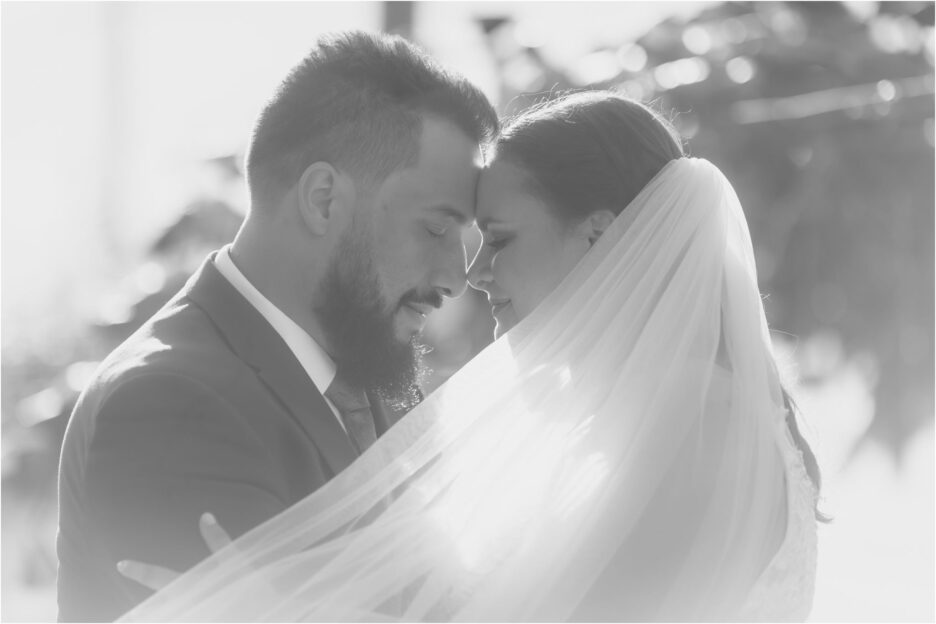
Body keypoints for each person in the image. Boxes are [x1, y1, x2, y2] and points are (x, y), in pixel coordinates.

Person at [119, 92, 820, 622]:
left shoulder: (697, 427)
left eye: (503, 239)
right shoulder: (652, 420)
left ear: (600, 238)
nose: (476, 275)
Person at [56, 30, 498, 622]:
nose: (454, 277)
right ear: (321, 199)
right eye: (437, 231)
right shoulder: (171, 405)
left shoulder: (376, 379)